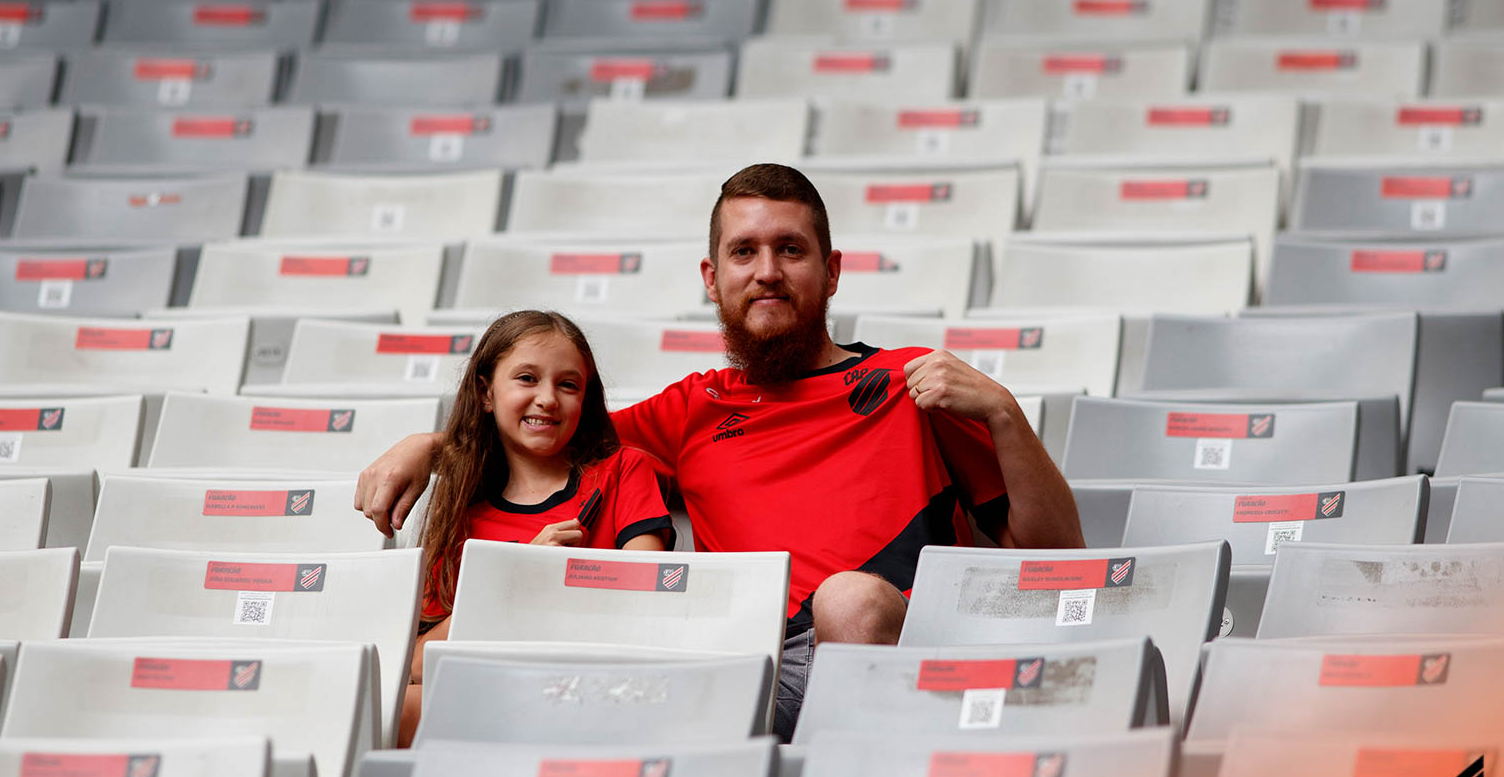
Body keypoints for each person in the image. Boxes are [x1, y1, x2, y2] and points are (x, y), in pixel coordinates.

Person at [360, 164, 1082, 739]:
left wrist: (1004, 413)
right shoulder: (691, 409)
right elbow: (543, 428)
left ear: (831, 271)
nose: (766, 271)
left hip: (898, 651)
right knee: (416, 699)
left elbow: (1056, 556)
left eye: (790, 250)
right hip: (744, 670)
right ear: (712, 278)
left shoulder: (912, 383)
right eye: (744, 252)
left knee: (851, 600)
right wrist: (431, 445)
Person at [401, 309, 674, 744]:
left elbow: (643, 602)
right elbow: (418, 663)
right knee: (392, 705)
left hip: (597, 688)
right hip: (490, 695)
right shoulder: (461, 515)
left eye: (568, 385)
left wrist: (556, 581)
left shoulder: (624, 471)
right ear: (486, 393)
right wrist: (520, 576)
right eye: (527, 379)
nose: (548, 398)